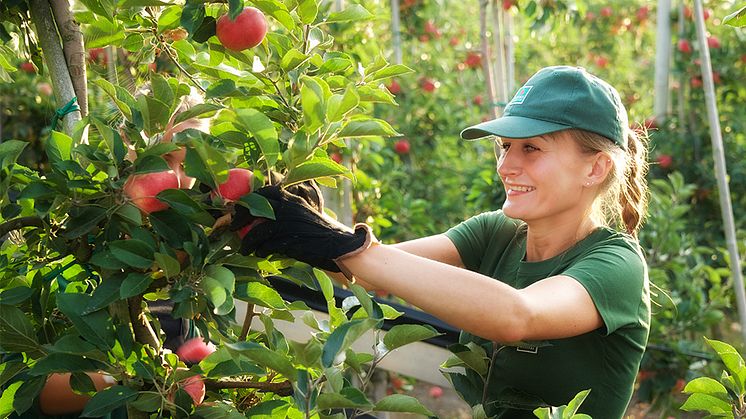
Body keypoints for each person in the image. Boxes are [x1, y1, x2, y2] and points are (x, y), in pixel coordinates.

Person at [232, 65, 651, 418]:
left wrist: (344, 244)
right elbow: (367, 271)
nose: (507, 165)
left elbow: (516, 316)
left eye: (531, 148)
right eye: (505, 147)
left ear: (594, 169)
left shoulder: (616, 264)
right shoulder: (496, 233)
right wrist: (310, 228)